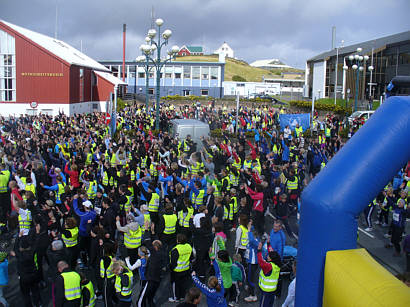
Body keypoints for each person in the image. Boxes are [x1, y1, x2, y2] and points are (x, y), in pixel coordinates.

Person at [169, 233, 194, 302]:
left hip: (177, 271)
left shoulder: (175, 249)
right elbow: (191, 257)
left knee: (176, 284)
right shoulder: (189, 246)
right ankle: (182, 296)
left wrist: (172, 268)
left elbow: (173, 262)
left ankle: (176, 298)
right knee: (183, 283)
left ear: (177, 240)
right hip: (186, 269)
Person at [257, 242, 282, 307]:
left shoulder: (268, 267)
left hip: (266, 292)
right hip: (272, 290)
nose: (267, 256)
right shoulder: (276, 265)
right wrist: (268, 244)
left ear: (270, 259)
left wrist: (259, 250)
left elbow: (260, 262)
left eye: (268, 256)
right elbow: (271, 252)